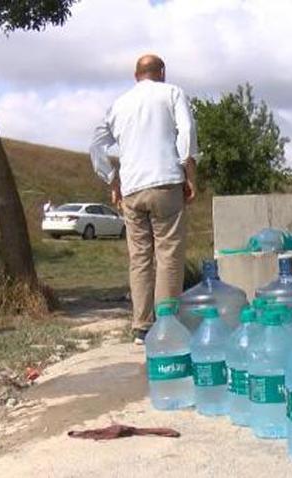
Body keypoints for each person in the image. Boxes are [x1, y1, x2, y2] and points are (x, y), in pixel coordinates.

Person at [90, 54, 198, 345]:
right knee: (168, 255)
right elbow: (186, 132)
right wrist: (190, 174)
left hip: (132, 189)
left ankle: (141, 327)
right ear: (161, 71)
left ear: (135, 75)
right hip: (165, 182)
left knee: (139, 257)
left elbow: (96, 146)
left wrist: (112, 180)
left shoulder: (119, 104)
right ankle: (167, 323)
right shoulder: (172, 93)